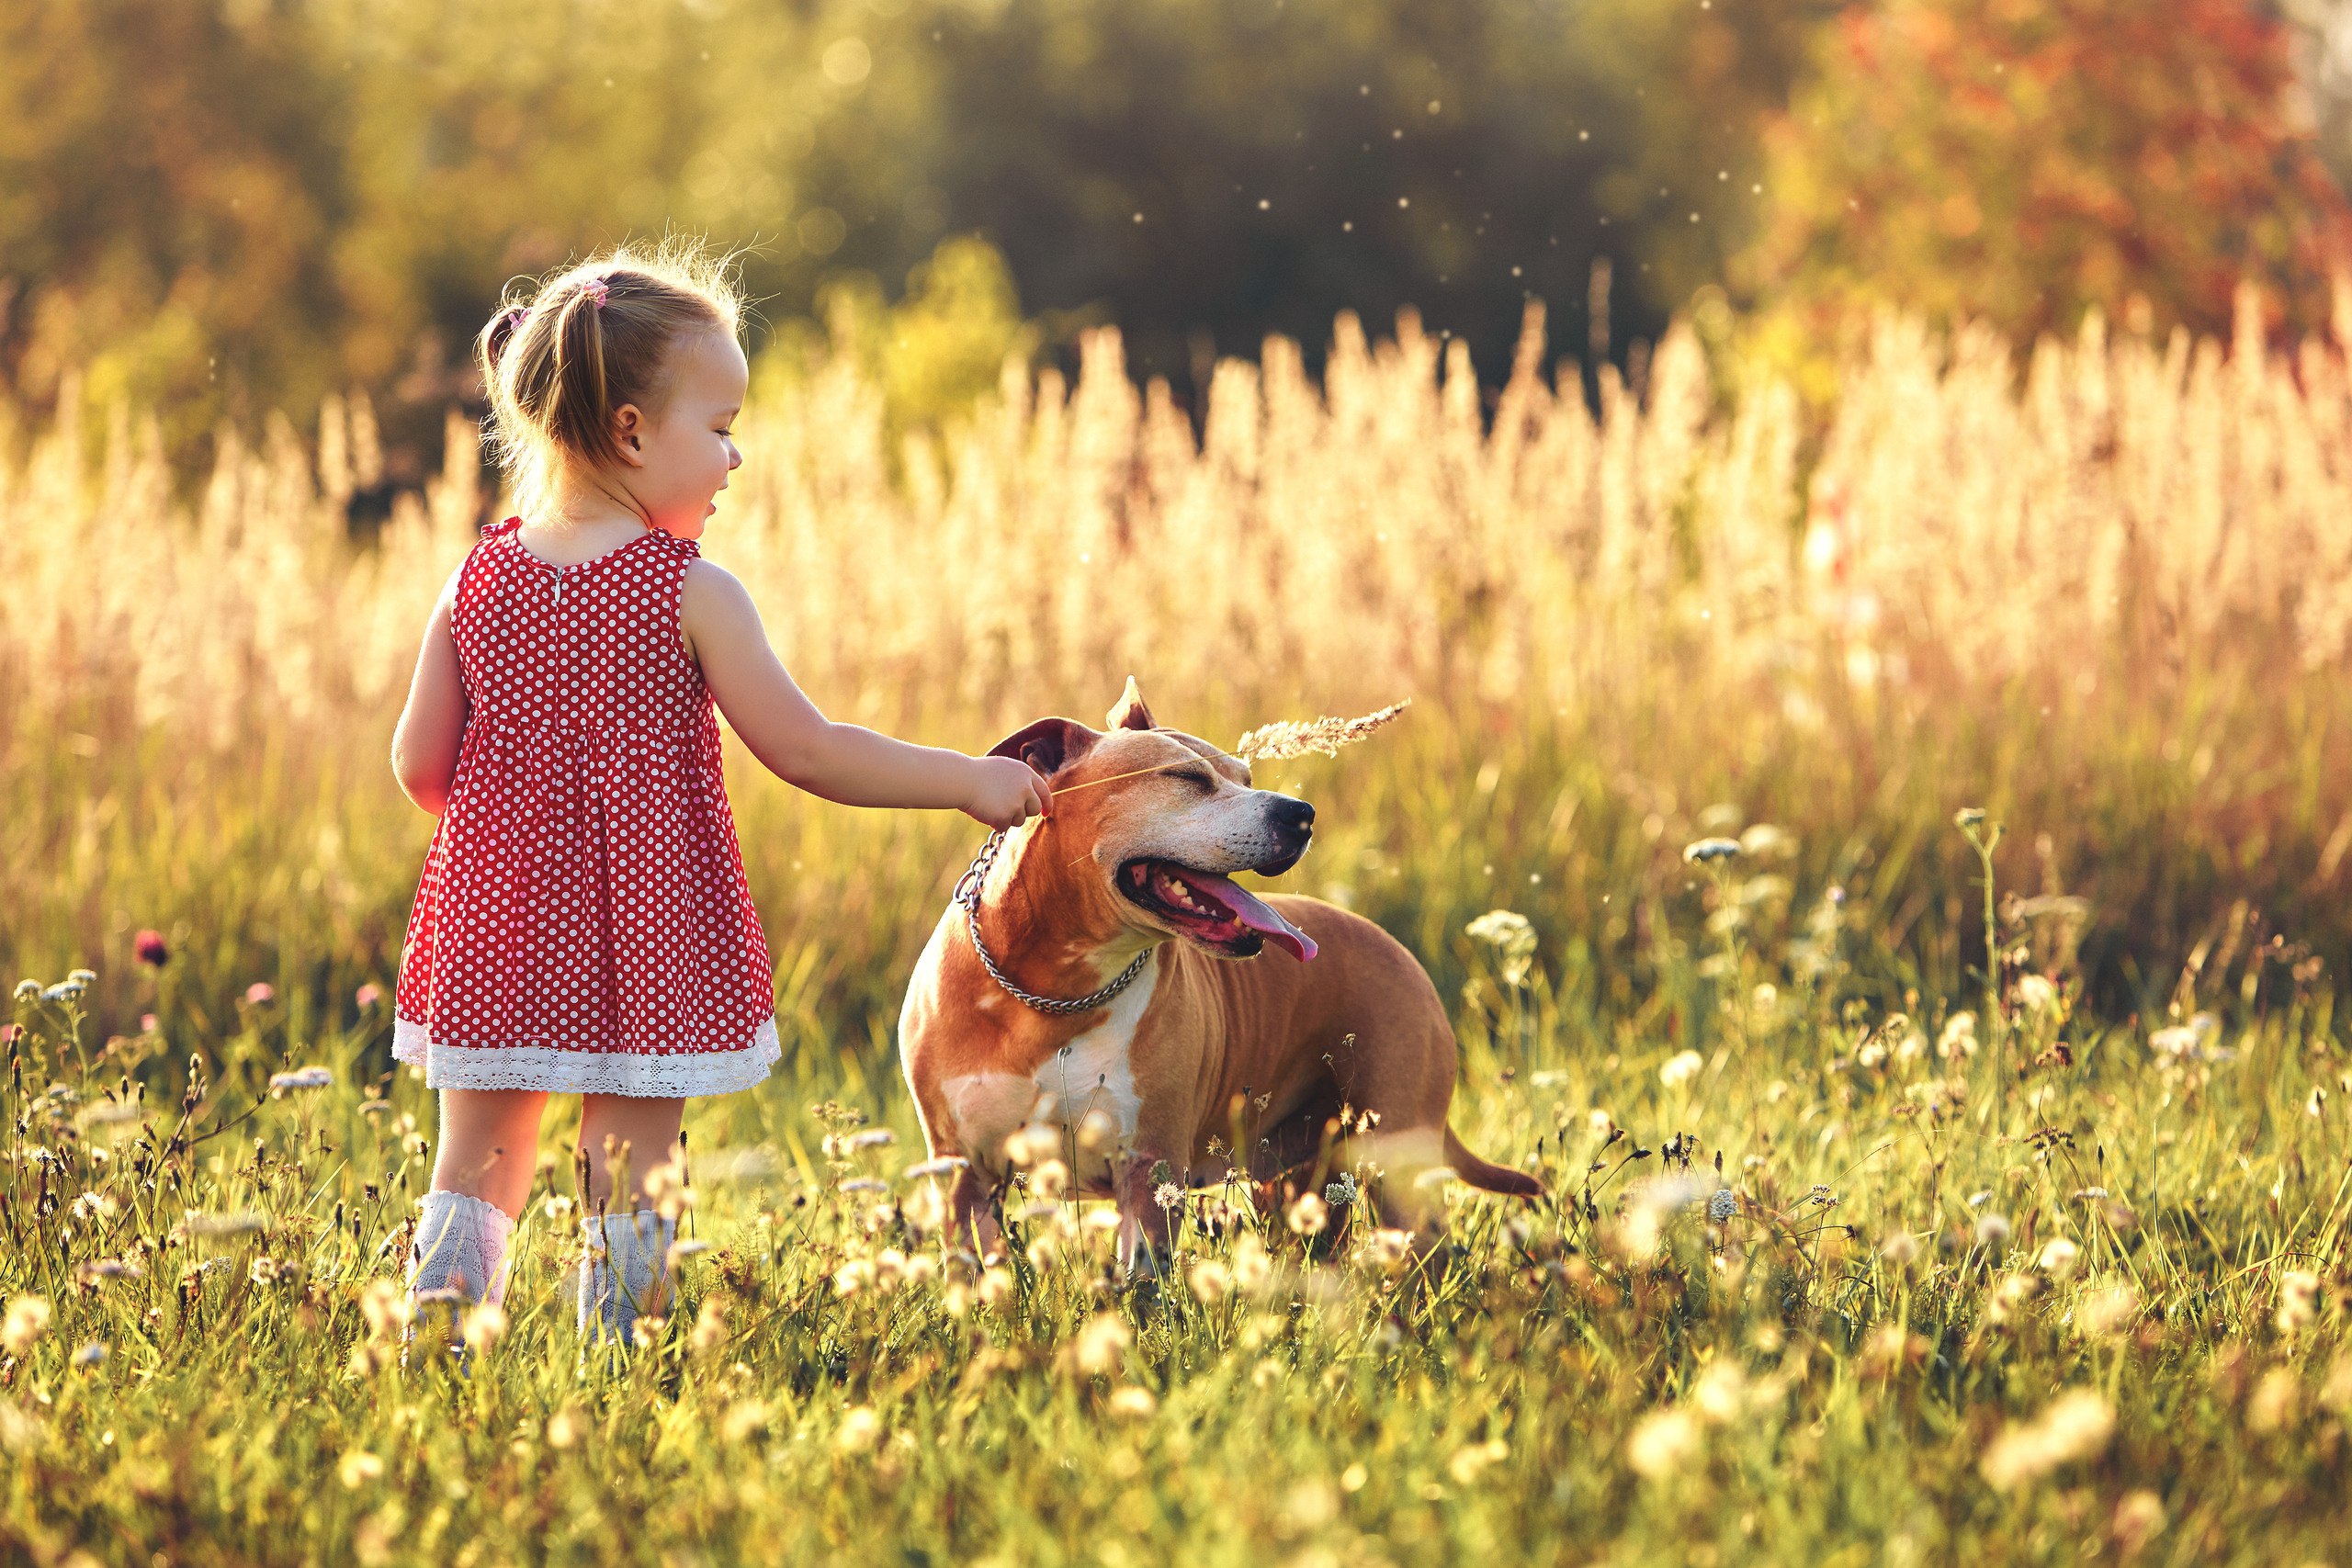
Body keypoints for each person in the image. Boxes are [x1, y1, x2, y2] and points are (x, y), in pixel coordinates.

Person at [388, 243, 1049, 1346]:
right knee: (632, 1164)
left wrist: (518, 823)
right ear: (635, 430)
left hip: (496, 922)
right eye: (723, 427)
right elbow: (811, 750)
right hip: (650, 923)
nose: (737, 458)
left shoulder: (473, 580)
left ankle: (438, 1348)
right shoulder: (691, 592)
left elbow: (419, 769)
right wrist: (971, 782)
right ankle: (620, 1361)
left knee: (478, 1159)